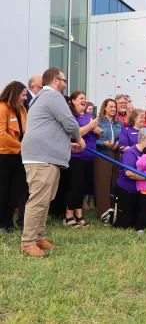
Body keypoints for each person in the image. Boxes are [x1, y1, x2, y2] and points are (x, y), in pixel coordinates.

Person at [21, 67, 85, 256]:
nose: (66, 84)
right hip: (42, 157)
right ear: (55, 80)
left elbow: (50, 127)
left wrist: (67, 145)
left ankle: (38, 237)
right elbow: (69, 122)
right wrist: (79, 138)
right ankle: (28, 242)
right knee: (38, 200)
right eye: (64, 80)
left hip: (45, 155)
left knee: (45, 200)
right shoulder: (53, 96)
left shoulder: (42, 97)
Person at [63, 91, 102, 228]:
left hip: (89, 157)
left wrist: (98, 131)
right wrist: (90, 126)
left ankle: (79, 215)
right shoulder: (71, 117)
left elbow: (95, 135)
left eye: (85, 98)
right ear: (73, 101)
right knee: (75, 186)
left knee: (83, 187)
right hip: (76, 157)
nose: (84, 100)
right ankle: (68, 216)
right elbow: (75, 134)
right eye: (81, 98)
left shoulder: (88, 116)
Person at [113, 128, 146, 228]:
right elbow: (129, 173)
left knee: (141, 223)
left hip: (142, 192)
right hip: (127, 190)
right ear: (142, 140)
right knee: (124, 225)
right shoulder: (131, 152)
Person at [0, 81, 28, 233]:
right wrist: (23, 146)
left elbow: (28, 131)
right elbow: (1, 135)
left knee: (15, 191)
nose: (25, 98)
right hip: (4, 156)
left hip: (19, 156)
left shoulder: (22, 110)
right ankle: (1, 224)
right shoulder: (2, 108)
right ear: (15, 94)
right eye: (23, 95)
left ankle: (9, 223)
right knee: (3, 190)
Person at [95, 98, 123, 218]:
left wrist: (119, 143)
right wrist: (103, 143)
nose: (113, 109)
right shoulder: (97, 121)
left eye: (114, 107)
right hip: (102, 154)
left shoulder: (119, 122)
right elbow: (92, 140)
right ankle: (103, 212)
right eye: (111, 107)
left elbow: (122, 137)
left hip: (115, 153)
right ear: (105, 108)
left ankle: (113, 208)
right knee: (103, 183)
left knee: (114, 181)